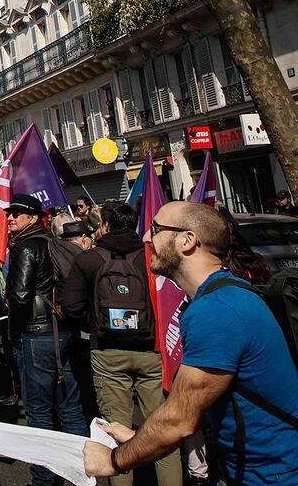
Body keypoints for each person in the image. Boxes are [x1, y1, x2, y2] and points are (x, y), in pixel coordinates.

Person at [84, 202, 298, 485]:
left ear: (187, 240)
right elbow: (193, 408)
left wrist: (114, 460)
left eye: (156, 229)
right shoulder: (221, 296)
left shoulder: (217, 310)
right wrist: (140, 438)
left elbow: (179, 419)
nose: (146, 238)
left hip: (273, 476)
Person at [62, 202, 175, 484]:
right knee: (163, 432)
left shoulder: (88, 259)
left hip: (108, 351)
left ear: (106, 225)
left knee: (116, 432)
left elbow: (71, 307)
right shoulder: (153, 257)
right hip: (153, 350)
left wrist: (94, 322)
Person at [5, 193, 87, 486]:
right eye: (9, 213)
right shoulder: (54, 244)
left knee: (39, 413)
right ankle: (82, 473)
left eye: (16, 213)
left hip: (37, 334)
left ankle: (44, 479)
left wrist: (15, 333)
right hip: (63, 332)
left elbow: (20, 295)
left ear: (32, 218)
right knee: (70, 408)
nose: (10, 217)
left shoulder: (26, 248)